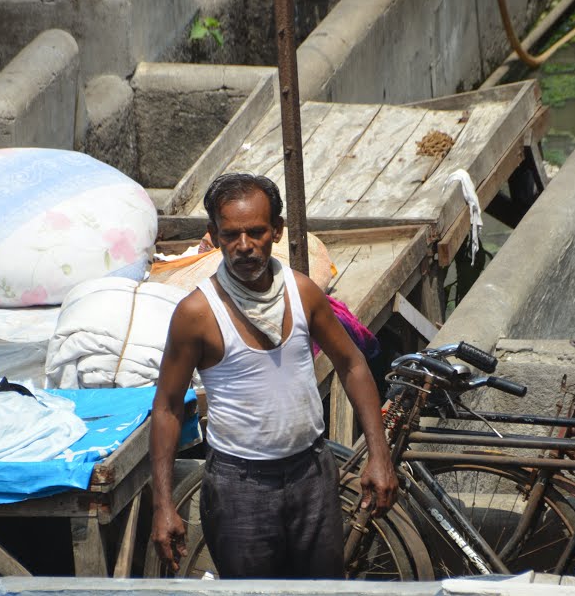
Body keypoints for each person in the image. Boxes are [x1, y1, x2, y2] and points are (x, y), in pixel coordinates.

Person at [150, 173, 397, 578]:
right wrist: (163, 505)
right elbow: (168, 407)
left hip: (313, 476)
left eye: (256, 232)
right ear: (213, 236)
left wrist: (379, 454)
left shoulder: (302, 293)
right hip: (239, 489)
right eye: (231, 235)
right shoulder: (196, 314)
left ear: (277, 231)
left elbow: (352, 364)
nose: (244, 246)